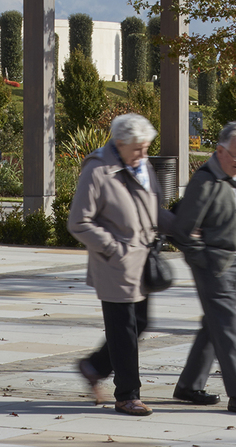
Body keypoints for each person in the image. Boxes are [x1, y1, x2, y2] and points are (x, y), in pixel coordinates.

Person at [68, 112, 173, 417]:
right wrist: (113, 248)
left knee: (140, 323)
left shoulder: (142, 165)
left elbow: (153, 211)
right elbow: (78, 222)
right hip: (114, 265)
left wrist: (182, 226)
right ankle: (127, 396)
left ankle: (94, 366)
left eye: (146, 148)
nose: (144, 155)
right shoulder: (98, 170)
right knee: (124, 331)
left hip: (141, 262)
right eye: (138, 149)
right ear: (119, 143)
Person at [167, 121, 236, 416]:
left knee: (213, 327)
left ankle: (189, 385)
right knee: (226, 330)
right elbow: (182, 230)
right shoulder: (205, 180)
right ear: (220, 151)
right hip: (215, 267)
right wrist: (204, 258)